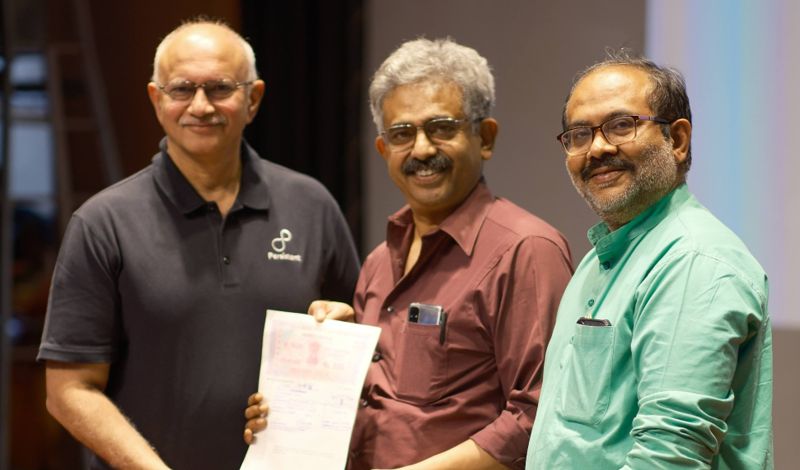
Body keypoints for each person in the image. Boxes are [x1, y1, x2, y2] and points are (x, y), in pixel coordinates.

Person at [37, 19, 360, 469]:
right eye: (182, 89)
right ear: (157, 99)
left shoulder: (312, 206)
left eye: (220, 88)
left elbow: (361, 340)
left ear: (253, 99)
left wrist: (346, 330)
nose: (201, 106)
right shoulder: (103, 222)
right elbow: (69, 390)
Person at [245, 38, 573, 469]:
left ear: (485, 137)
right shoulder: (379, 262)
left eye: (441, 128)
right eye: (402, 134)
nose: (421, 149)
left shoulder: (526, 251)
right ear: (384, 150)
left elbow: (538, 416)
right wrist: (298, 401)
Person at [525, 51, 773, 469]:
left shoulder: (693, 263)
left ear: (677, 140)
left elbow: (669, 457)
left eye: (622, 125)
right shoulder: (601, 259)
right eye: (580, 134)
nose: (597, 148)